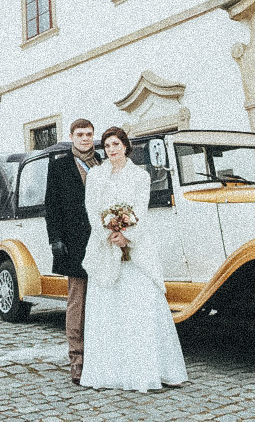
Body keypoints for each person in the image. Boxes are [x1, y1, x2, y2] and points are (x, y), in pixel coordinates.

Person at [79, 126, 188, 392]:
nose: (111, 150)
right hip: (105, 246)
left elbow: (142, 209)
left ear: (125, 146)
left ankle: (150, 371)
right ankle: (111, 373)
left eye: (116, 144)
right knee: (109, 310)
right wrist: (109, 233)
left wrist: (127, 236)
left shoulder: (140, 175)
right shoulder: (96, 175)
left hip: (136, 247)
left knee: (140, 307)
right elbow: (91, 209)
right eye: (107, 146)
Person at [44, 118, 99, 384]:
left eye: (89, 134)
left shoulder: (101, 163)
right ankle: (77, 360)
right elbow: (51, 205)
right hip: (74, 244)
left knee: (101, 301)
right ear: (72, 137)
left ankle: (100, 356)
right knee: (77, 302)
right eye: (80, 134)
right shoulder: (60, 165)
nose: (85, 138)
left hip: (102, 242)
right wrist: (55, 239)